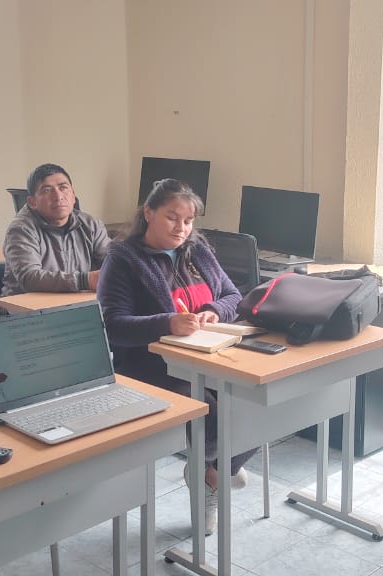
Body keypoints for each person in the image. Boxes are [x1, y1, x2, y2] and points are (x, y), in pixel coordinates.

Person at [97, 178, 254, 535]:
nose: (181, 228)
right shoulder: (123, 259)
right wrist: (166, 322)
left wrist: (214, 311)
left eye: (188, 220)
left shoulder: (196, 249)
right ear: (148, 213)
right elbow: (112, 325)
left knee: (258, 404)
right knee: (213, 415)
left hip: (212, 357)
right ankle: (216, 471)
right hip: (151, 368)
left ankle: (213, 475)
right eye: (172, 217)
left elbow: (233, 295)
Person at [1, 163, 110, 295]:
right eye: (47, 190)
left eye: (63, 188)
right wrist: (85, 280)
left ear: (73, 195)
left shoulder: (91, 224)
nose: (58, 197)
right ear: (32, 202)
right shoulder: (20, 229)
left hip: (75, 302)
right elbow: (30, 278)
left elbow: (113, 261)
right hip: (24, 306)